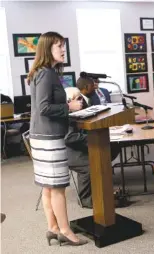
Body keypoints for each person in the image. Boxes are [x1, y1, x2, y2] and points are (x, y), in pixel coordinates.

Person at [27, 31, 87, 246]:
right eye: (58, 46)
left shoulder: (40, 72)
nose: (63, 50)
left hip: (41, 136)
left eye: (63, 45)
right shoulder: (47, 74)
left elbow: (43, 104)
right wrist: (69, 106)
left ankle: (53, 228)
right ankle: (65, 231)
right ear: (47, 49)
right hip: (49, 137)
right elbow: (44, 108)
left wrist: (65, 102)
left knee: (48, 186)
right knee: (58, 187)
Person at [64, 87, 120, 209]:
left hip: (76, 146)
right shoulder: (66, 115)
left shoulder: (78, 112)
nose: (82, 101)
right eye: (78, 99)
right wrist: (91, 138)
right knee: (91, 164)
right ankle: (86, 200)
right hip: (66, 151)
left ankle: (101, 193)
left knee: (110, 149)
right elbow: (69, 137)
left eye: (81, 98)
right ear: (69, 101)